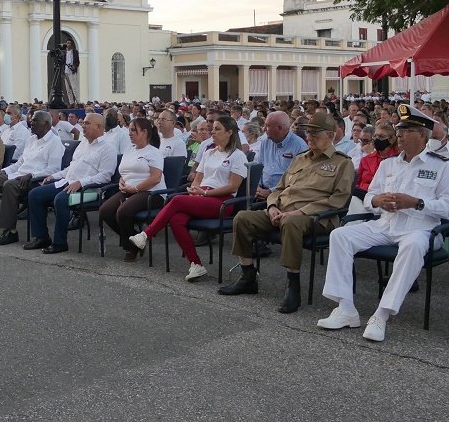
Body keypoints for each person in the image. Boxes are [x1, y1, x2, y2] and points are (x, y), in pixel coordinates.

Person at [318, 105, 449, 342]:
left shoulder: (440, 165)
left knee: (412, 246)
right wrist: (378, 201)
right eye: (399, 129)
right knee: (340, 235)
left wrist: (417, 203)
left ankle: (381, 315)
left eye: (405, 129)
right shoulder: (389, 164)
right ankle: (345, 308)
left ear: (422, 135)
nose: (399, 134)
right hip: (385, 224)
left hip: (420, 229)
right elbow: (370, 197)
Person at [219, 112, 354, 313]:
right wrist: (272, 206)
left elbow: (337, 201)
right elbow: (279, 189)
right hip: (282, 212)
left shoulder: (343, 163)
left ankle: (293, 285)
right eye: (308, 132)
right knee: (242, 218)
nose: (309, 137)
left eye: (316, 133)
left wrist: (299, 212)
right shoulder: (300, 159)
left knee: (291, 224)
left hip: (316, 218)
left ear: (331, 136)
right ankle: (247, 276)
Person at [129, 116, 247, 280]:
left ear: (230, 132)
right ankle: (196, 264)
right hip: (202, 196)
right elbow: (199, 178)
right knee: (176, 219)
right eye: (213, 128)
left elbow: (233, 186)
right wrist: (195, 189)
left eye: (217, 129)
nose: (213, 132)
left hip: (222, 202)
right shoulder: (209, 152)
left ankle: (146, 234)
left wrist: (204, 193)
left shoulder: (237, 155)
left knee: (176, 200)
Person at [25, 114, 117, 254]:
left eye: (87, 123)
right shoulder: (83, 144)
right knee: (35, 194)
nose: (83, 126)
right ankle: (41, 237)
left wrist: (81, 182)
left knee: (61, 200)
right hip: (68, 182)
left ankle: (60, 242)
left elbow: (105, 176)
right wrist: (54, 176)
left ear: (98, 127)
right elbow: (71, 168)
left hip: (91, 190)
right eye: (83, 123)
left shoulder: (108, 149)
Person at [0, 110, 64, 243]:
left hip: (35, 180)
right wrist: (4, 171)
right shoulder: (31, 140)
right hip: (18, 175)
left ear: (46, 124)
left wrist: (31, 175)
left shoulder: (55, 142)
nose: (31, 122)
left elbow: (54, 169)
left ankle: (10, 231)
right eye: (31, 120)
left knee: (9, 185)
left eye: (35, 120)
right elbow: (20, 163)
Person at [98, 118, 167, 262]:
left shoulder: (153, 152)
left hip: (152, 193)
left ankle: (130, 247)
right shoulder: (129, 150)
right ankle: (135, 240)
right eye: (129, 130)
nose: (130, 133)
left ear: (145, 132)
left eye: (134, 130)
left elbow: (155, 178)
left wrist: (135, 188)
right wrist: (122, 181)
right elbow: (124, 171)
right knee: (105, 211)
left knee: (123, 212)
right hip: (129, 189)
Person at [352, 123, 398, 201]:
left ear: (391, 139)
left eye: (381, 137)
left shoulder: (397, 158)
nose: (377, 139)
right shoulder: (366, 159)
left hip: (383, 197)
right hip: (362, 196)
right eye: (375, 136)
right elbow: (358, 182)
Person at [63, 38, 80, 105]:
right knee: (68, 89)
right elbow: (63, 62)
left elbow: (77, 61)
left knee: (74, 87)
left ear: (72, 44)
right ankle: (71, 102)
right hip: (66, 71)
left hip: (72, 71)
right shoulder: (64, 52)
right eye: (67, 43)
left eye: (69, 43)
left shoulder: (75, 52)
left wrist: (74, 66)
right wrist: (63, 71)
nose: (68, 44)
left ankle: (78, 102)